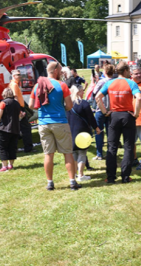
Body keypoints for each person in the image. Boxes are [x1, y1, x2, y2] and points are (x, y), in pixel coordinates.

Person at [30, 61, 80, 191]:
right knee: (67, 153)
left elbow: (31, 105)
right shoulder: (62, 85)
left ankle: (50, 183)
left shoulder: (37, 86)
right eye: (61, 70)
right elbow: (69, 106)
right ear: (56, 70)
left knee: (48, 154)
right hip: (60, 122)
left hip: (43, 124)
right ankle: (72, 182)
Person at [96, 61, 141, 184]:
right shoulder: (131, 83)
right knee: (128, 147)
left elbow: (97, 97)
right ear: (126, 70)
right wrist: (137, 113)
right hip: (128, 115)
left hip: (114, 116)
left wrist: (105, 111)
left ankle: (111, 177)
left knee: (112, 147)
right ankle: (125, 177)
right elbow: (139, 98)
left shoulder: (110, 83)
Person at [67, 84, 100, 182]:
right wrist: (96, 128)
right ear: (78, 92)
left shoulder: (68, 104)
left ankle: (75, 174)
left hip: (70, 131)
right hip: (82, 131)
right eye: (82, 91)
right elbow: (91, 118)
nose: (83, 93)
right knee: (82, 153)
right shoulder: (84, 103)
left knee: (73, 153)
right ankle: (81, 175)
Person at [0, 87, 21, 172]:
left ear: (4, 94)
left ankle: (4, 166)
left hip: (4, 129)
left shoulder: (3, 103)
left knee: (2, 147)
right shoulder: (17, 103)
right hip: (15, 129)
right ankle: (11, 165)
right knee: (12, 147)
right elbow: (19, 115)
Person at [91, 64, 114, 160]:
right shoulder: (115, 82)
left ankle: (99, 154)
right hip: (112, 110)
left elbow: (94, 93)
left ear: (104, 72)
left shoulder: (101, 82)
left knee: (98, 132)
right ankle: (111, 153)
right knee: (111, 133)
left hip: (101, 110)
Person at [8, 70, 34, 153]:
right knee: (26, 129)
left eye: (20, 74)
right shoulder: (14, 85)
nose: (20, 76)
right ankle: (28, 148)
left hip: (18, 109)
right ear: (14, 76)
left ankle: (13, 148)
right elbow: (15, 98)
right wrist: (19, 111)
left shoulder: (13, 84)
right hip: (19, 109)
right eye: (18, 75)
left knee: (17, 129)